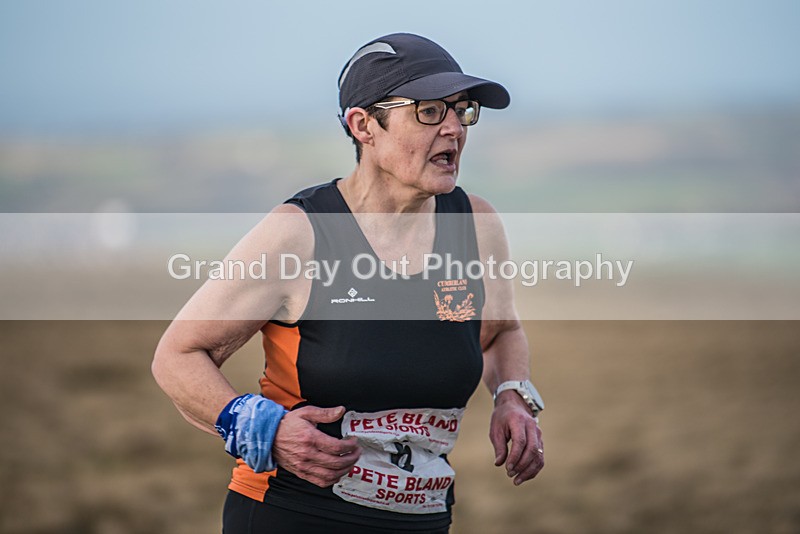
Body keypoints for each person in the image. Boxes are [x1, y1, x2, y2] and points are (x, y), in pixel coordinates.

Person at [152, 32, 545, 533]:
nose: (453, 128)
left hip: (423, 521)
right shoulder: (299, 233)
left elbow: (502, 332)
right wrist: (266, 430)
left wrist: (512, 394)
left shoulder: (474, 224)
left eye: (462, 110)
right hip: (293, 515)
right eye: (429, 111)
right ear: (364, 126)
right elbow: (177, 356)